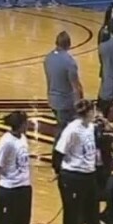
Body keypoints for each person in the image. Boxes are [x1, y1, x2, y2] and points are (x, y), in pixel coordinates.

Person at [43, 31, 83, 176]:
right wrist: (80, 104)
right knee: (64, 132)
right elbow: (76, 86)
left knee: (61, 129)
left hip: (52, 99)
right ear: (69, 44)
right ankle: (58, 161)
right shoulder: (69, 62)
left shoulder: (47, 58)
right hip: (66, 102)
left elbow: (49, 80)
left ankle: (60, 159)